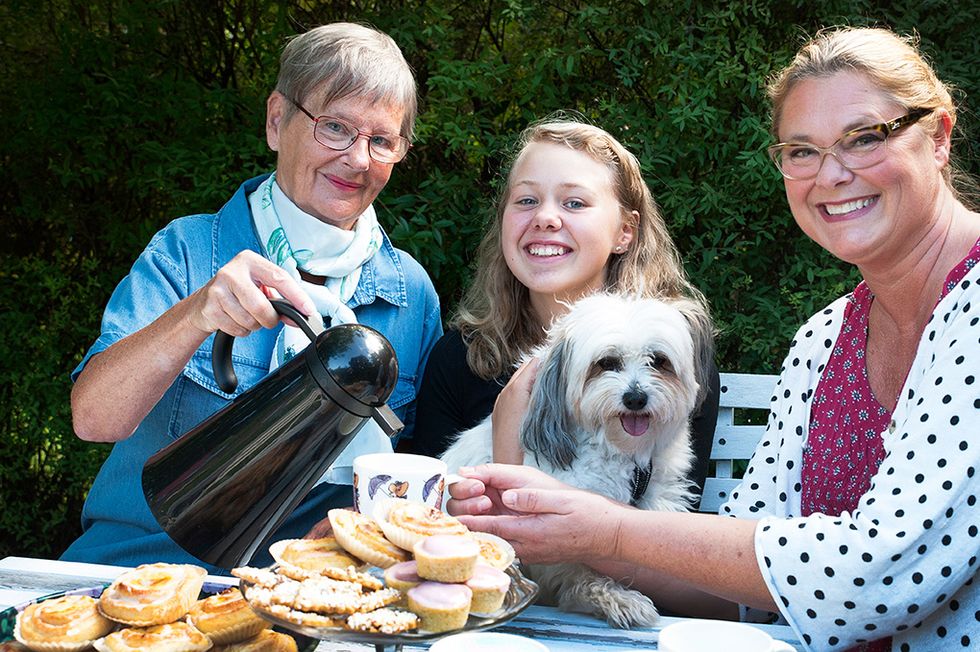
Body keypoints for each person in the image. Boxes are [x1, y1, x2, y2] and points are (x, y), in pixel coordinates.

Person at [447, 27, 980, 651]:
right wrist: (573, 536)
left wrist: (610, 533)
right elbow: (743, 573)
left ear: (938, 137)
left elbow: (874, 578)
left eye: (864, 138)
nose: (831, 174)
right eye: (802, 151)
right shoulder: (823, 342)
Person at [62, 23, 442, 570]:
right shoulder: (188, 251)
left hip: (310, 593)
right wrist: (197, 312)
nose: (359, 159)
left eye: (381, 141)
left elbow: (416, 478)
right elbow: (94, 419)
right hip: (141, 570)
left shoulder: (410, 294)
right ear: (275, 120)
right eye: (335, 127)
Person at [410, 117, 720, 498]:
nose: (545, 218)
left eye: (574, 202)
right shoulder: (461, 357)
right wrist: (506, 442)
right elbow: (424, 507)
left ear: (625, 231)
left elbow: (668, 528)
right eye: (526, 200)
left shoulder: (672, 349)